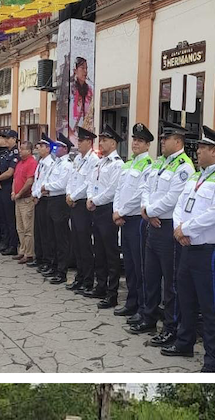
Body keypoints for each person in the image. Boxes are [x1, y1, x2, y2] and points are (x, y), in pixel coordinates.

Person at [165, 125, 215, 371]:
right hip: (187, 247)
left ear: (214, 151)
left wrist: (187, 229)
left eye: (203, 148)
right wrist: (178, 228)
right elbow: (179, 205)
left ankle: (213, 359)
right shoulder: (198, 176)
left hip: (208, 251)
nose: (198, 152)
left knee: (209, 306)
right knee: (185, 298)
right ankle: (184, 342)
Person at [131, 122, 194, 345]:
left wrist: (150, 211)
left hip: (168, 227)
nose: (162, 142)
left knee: (170, 283)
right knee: (150, 276)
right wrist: (148, 210)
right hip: (153, 224)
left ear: (178, 141)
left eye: (166, 139)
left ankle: (170, 327)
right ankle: (149, 316)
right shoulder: (160, 163)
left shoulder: (184, 167)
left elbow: (174, 198)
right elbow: (147, 189)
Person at [113, 123, 156, 320]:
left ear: (148, 145)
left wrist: (120, 211)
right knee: (129, 265)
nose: (136, 143)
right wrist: (116, 211)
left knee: (140, 267)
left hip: (137, 220)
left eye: (140, 141)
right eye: (134, 140)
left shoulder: (149, 165)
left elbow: (140, 194)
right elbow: (119, 190)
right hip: (123, 219)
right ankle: (131, 303)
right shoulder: (128, 164)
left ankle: (142, 307)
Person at [88, 124, 125, 307]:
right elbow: (91, 182)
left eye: (104, 140)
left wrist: (94, 200)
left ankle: (112, 293)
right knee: (99, 251)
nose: (100, 143)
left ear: (113, 143)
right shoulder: (100, 162)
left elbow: (112, 190)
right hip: (96, 208)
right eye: (100, 140)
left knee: (111, 254)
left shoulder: (118, 164)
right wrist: (90, 198)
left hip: (108, 209)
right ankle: (100, 286)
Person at [66, 126, 99, 294]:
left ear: (89, 142)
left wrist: (74, 196)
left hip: (83, 205)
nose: (78, 143)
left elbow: (88, 183)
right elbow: (72, 179)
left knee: (85, 244)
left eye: (81, 141)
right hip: (73, 203)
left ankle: (88, 280)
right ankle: (79, 277)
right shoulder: (78, 159)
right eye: (77, 140)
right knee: (77, 244)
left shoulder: (94, 160)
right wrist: (69, 194)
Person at [43, 134, 75, 285]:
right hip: (51, 200)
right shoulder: (56, 163)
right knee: (52, 236)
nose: (54, 149)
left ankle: (62, 271)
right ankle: (54, 266)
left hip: (60, 201)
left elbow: (62, 184)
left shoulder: (67, 164)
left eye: (57, 147)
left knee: (61, 238)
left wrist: (46, 187)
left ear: (65, 149)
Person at [11, 140, 39, 266]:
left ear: (29, 150)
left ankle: (29, 253)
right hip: (17, 198)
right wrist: (13, 192)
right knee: (20, 227)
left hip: (26, 199)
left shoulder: (32, 162)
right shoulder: (19, 163)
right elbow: (15, 178)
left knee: (28, 228)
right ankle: (22, 250)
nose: (20, 151)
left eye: (23, 149)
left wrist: (19, 193)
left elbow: (29, 181)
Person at [0, 129, 20, 255]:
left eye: (8, 138)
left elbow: (10, 172)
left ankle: (12, 244)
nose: (6, 140)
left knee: (10, 218)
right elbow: (1, 169)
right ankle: (5, 240)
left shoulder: (15, 154)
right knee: (1, 216)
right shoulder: (5, 153)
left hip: (9, 187)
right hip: (1, 187)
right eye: (5, 138)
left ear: (14, 139)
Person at [31, 136, 54, 272]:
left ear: (48, 148)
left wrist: (37, 195)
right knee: (38, 231)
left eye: (42, 146)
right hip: (37, 198)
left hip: (44, 199)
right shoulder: (40, 162)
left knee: (46, 232)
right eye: (38, 145)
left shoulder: (50, 163)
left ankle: (47, 259)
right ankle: (39, 257)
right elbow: (36, 181)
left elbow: (45, 182)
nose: (38, 148)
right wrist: (34, 194)